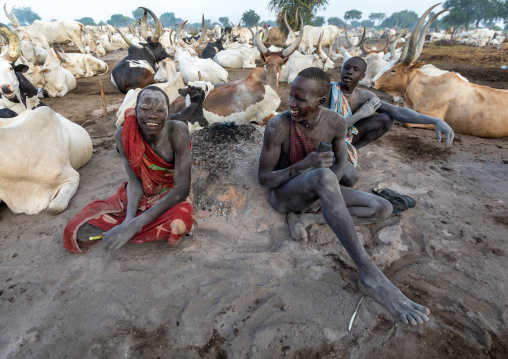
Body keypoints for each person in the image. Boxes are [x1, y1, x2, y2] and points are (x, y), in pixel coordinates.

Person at [258, 67, 430, 325]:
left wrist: (327, 195)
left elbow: (341, 163)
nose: (290, 103)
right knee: (323, 177)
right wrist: (304, 166)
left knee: (382, 208)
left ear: (319, 102)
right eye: (291, 95)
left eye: (299, 99)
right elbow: (264, 178)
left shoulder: (335, 123)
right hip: (286, 195)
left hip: (318, 189)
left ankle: (307, 219)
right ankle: (371, 276)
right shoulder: (278, 125)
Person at [63, 86, 193, 253]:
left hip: (171, 194)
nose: (152, 115)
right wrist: (129, 219)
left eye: (159, 110)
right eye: (145, 109)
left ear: (168, 113)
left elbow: (182, 189)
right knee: (76, 228)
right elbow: (134, 180)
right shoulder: (124, 135)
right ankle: (129, 228)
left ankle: (130, 230)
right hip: (143, 195)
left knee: (178, 224)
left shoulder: (178, 131)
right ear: (135, 111)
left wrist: (135, 225)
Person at [330, 56, 454, 186]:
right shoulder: (328, 91)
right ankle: (335, 158)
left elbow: (397, 111)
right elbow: (330, 131)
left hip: (344, 140)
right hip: (323, 141)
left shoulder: (363, 95)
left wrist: (435, 120)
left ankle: (350, 152)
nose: (349, 71)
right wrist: (361, 114)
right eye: (347, 67)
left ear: (362, 77)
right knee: (350, 178)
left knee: (386, 118)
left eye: (356, 69)